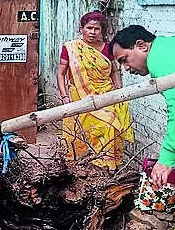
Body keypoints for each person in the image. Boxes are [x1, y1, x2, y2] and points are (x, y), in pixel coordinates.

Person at [110, 25, 175, 228]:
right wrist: (172, 156)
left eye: (124, 59)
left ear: (141, 46)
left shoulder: (159, 57)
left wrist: (167, 158)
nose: (125, 68)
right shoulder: (167, 49)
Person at [57, 11, 133, 170]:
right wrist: (64, 97)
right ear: (81, 29)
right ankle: (79, 166)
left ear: (102, 30)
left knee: (109, 124)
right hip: (79, 96)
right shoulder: (71, 48)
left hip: (105, 94)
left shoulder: (108, 48)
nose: (92, 32)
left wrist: (119, 92)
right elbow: (61, 73)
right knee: (80, 132)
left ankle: (105, 166)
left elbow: (114, 72)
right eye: (89, 28)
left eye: (96, 29)